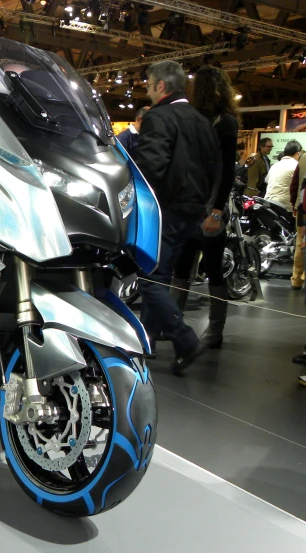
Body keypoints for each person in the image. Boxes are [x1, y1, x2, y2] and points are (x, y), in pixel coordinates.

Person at [134, 60, 222, 375]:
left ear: (160, 86)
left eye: (148, 84)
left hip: (164, 211)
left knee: (150, 280)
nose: (146, 89)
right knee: (161, 275)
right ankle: (146, 341)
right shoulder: (201, 121)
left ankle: (186, 340)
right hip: (192, 214)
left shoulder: (159, 117)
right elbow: (217, 168)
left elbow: (151, 169)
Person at [172, 66, 240, 349]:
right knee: (182, 267)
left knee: (211, 267)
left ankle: (215, 330)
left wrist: (217, 211)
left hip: (211, 206)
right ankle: (174, 324)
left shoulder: (224, 123)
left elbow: (226, 172)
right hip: (192, 205)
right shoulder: (198, 120)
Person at [264, 140, 302, 210]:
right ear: (297, 154)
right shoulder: (296, 166)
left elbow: (266, 181)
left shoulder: (275, 165)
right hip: (285, 207)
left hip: (268, 203)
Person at [289, 146, 306, 289]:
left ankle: (297, 279)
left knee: (300, 242)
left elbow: (294, 184)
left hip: (302, 206)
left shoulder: (303, 158)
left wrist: (294, 203)